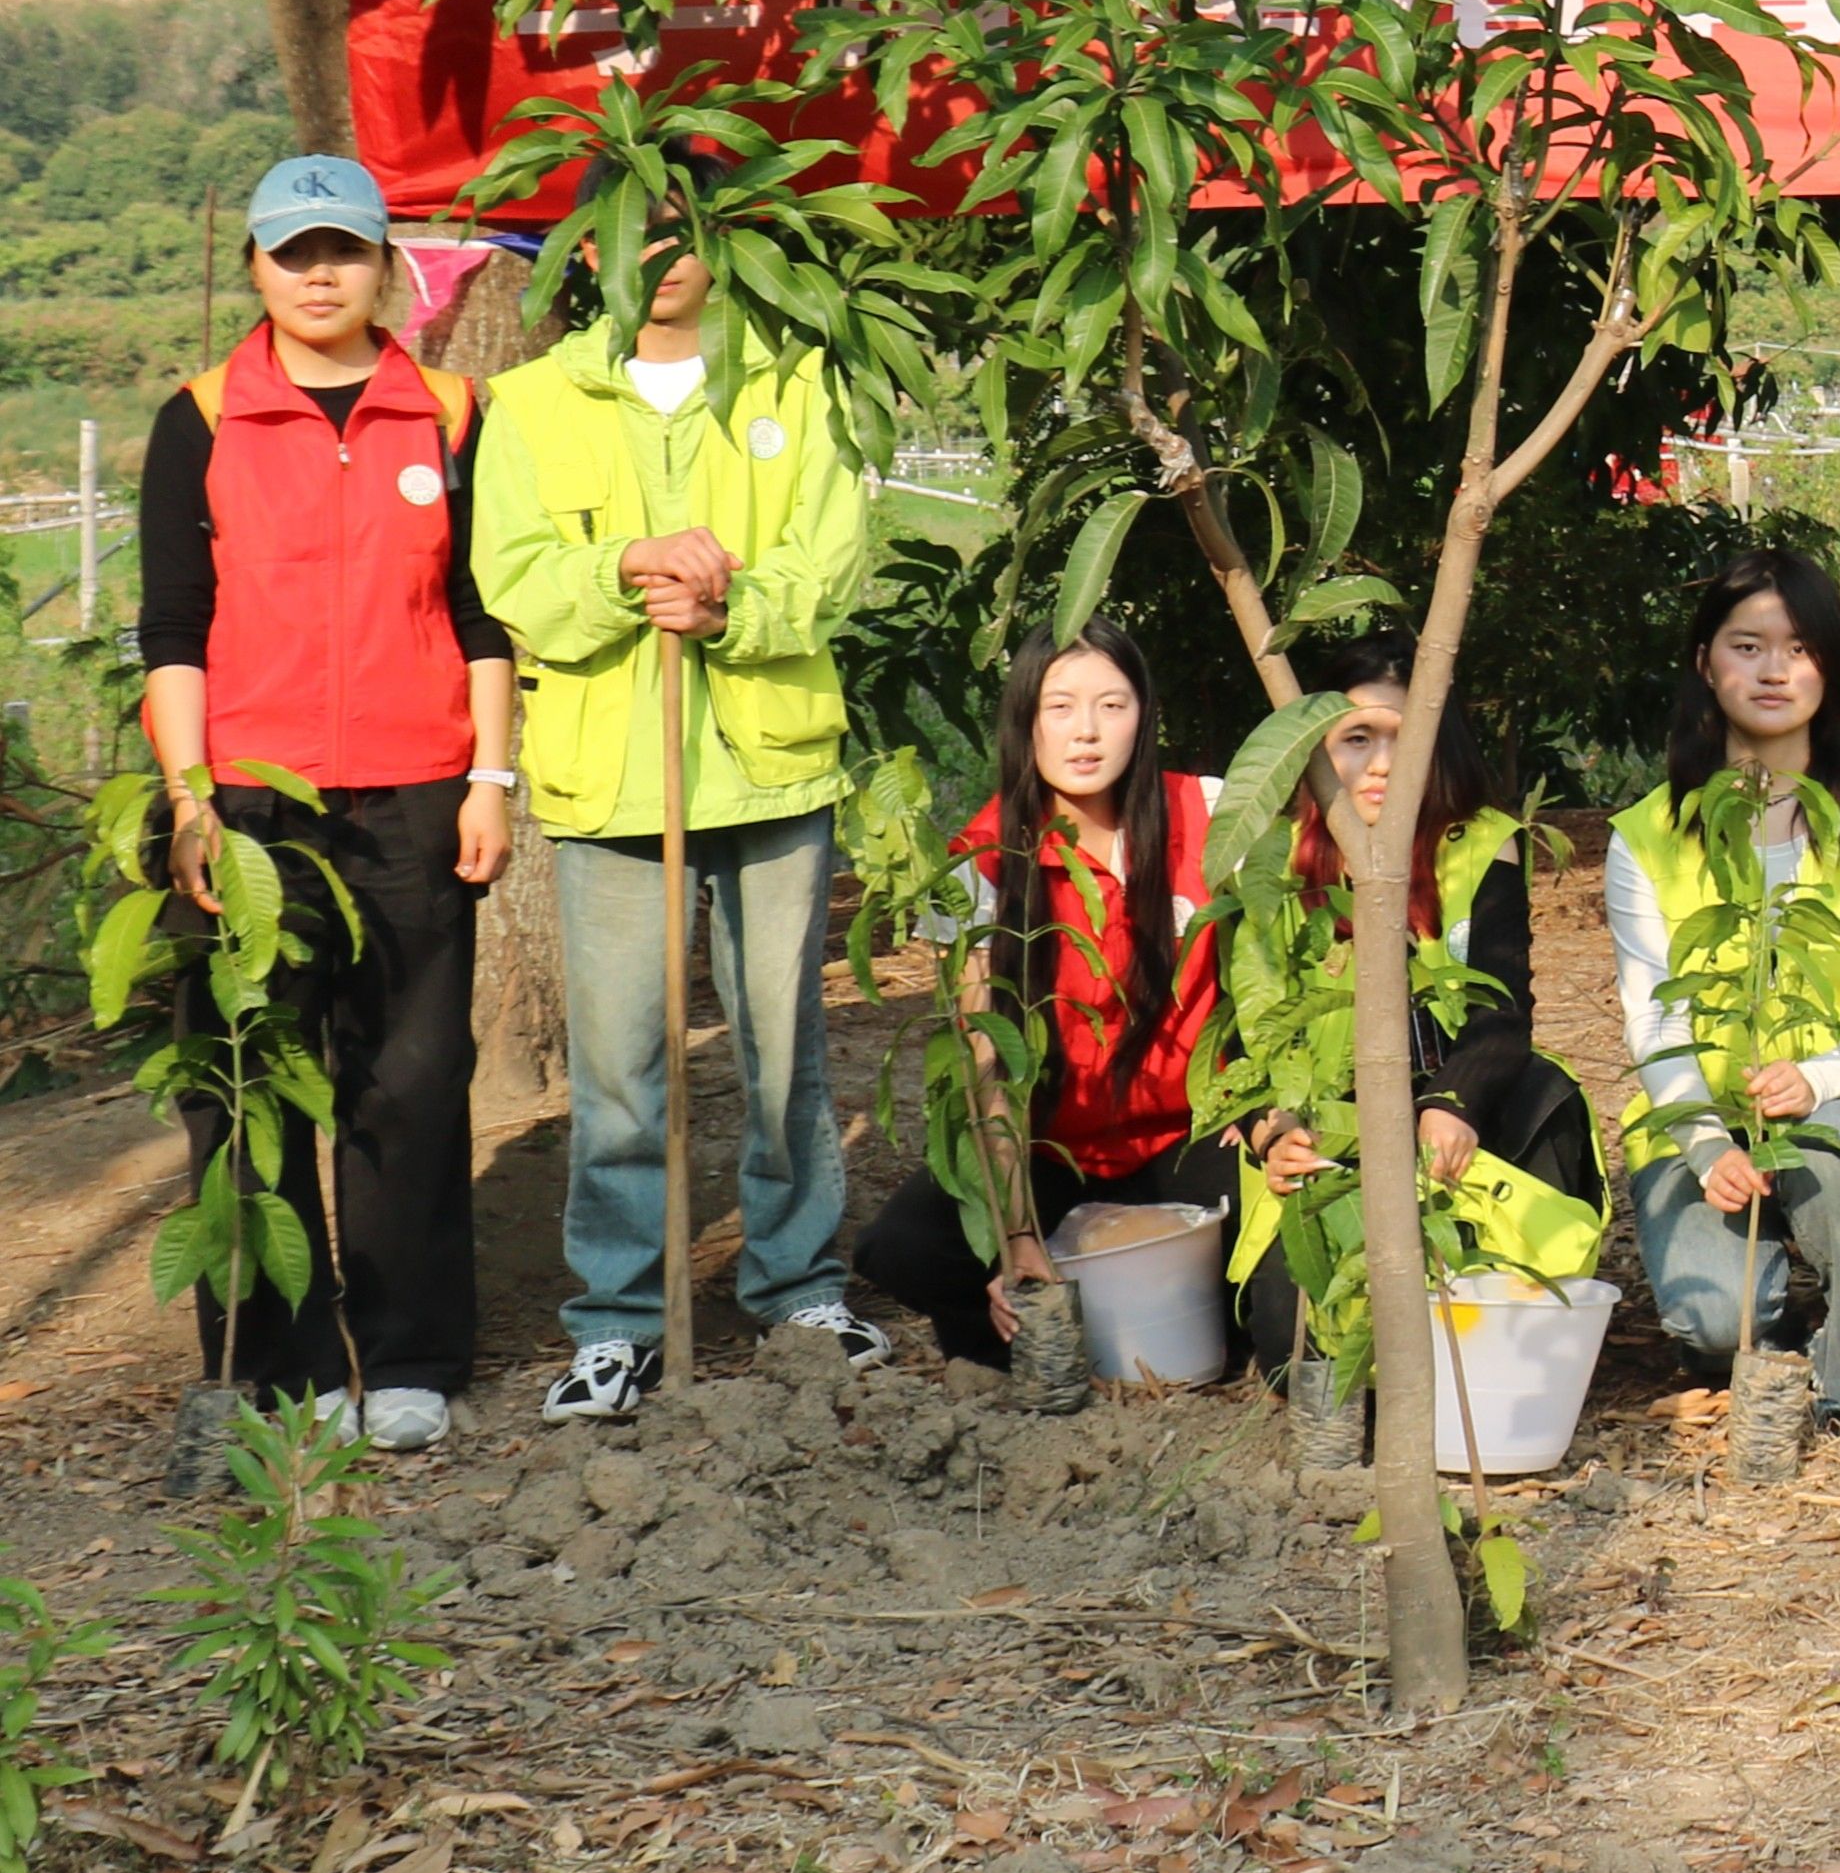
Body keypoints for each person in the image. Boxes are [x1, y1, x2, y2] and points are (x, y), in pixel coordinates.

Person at [134, 157, 516, 1450]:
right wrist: (191, 799)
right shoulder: (199, 417)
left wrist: (490, 776)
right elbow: (174, 626)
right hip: (249, 804)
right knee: (248, 1083)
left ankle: (408, 1354)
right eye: (292, 252)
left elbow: (481, 612)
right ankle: (275, 1366)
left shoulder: (451, 411)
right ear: (255, 265)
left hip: (417, 792)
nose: (317, 274)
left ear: (383, 266)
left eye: (342, 249)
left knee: (412, 1076)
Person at [471, 241, 884, 1422]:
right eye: (624, 223)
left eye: (677, 221)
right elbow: (514, 575)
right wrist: (627, 566)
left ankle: (799, 1286)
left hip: (769, 765)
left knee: (783, 1046)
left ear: (724, 235)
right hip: (611, 780)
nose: (653, 251)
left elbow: (834, 559)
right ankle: (618, 1319)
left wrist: (728, 606)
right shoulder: (535, 399)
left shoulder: (797, 380)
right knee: (618, 1064)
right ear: (583, 244)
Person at [858, 624, 1267, 1368]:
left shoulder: (1211, 815)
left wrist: (1261, 1099)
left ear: (1143, 715)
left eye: (1112, 705)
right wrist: (1015, 1234)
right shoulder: (980, 866)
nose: (1087, 731)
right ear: (1025, 720)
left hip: (1192, 1134)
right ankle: (1035, 1343)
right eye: (1060, 706)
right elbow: (987, 1063)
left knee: (1280, 1263)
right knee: (904, 1248)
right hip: (1055, 1151)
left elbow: (1273, 972)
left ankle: (1196, 1318)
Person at [1611, 553, 1840, 1430]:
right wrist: (1705, 1144)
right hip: (1704, 1110)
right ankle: (1774, 1313)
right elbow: (1656, 1015)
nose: (1772, 670)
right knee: (1718, 1325)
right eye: (1746, 646)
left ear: (1833, 665)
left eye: (1799, 648)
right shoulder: (1648, 834)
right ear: (1705, 662)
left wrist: (1818, 1080)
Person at [1249, 641, 1602, 1228]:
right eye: (1357, 739)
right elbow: (1245, 1028)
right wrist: (1273, 1129)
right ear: (1315, 749)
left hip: (1449, 1103)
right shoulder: (1272, 864)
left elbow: (1501, 1005)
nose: (1383, 764)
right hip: (1324, 1113)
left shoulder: (1481, 842)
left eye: (1407, 738)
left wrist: (1453, 1099)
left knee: (1542, 1094)